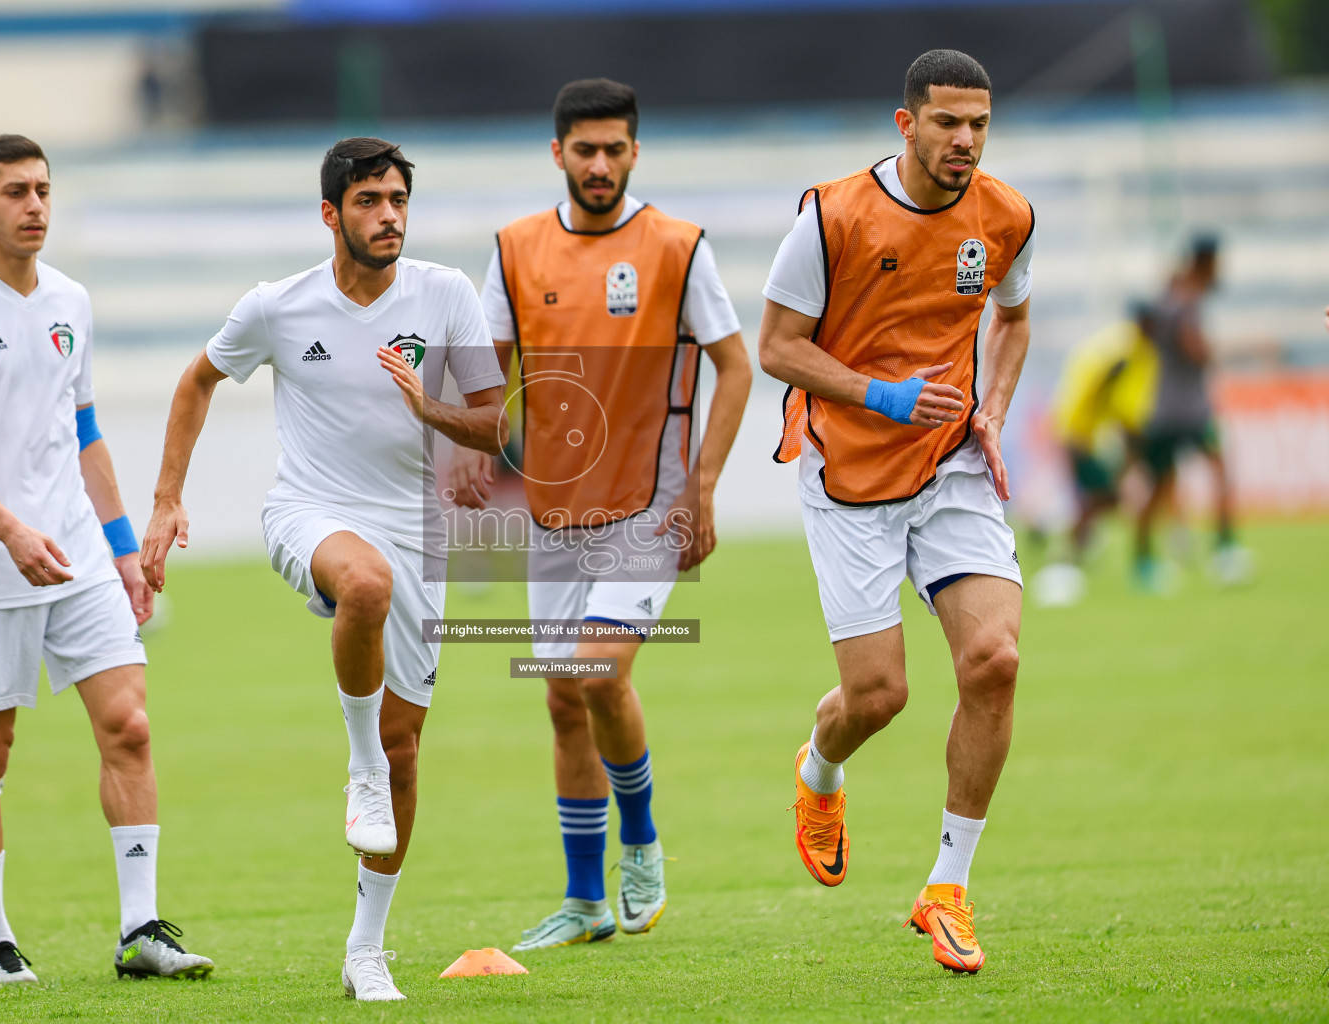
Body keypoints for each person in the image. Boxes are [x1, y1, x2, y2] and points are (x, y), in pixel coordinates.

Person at [140, 138, 507, 1002]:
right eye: (370, 201)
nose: (388, 217)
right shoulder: (278, 307)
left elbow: (495, 426)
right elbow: (197, 381)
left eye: (398, 201)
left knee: (408, 746)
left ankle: (365, 950)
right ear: (331, 213)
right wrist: (166, 499)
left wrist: (430, 408)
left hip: (418, 529)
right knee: (366, 587)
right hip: (309, 510)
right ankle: (359, 768)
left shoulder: (445, 294)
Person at [450, 78, 752, 951]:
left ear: (634, 151)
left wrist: (702, 487)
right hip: (554, 515)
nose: (600, 164)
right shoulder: (515, 249)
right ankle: (585, 903)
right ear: (558, 154)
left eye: (615, 148)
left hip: (648, 508)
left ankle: (644, 844)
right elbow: (486, 373)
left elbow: (734, 366)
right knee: (562, 698)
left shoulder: (677, 247)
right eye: (584, 149)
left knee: (597, 672)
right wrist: (475, 447)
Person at [0, 134, 214, 985]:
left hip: (76, 550)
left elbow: (85, 434)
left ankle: (142, 929)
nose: (35, 205)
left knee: (131, 725)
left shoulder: (72, 299)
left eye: (43, 189)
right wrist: (8, 528)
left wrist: (120, 552)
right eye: (15, 192)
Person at [758, 50, 1034, 974]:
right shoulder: (832, 217)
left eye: (979, 125)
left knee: (994, 660)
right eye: (948, 123)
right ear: (905, 123)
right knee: (880, 697)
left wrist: (989, 410)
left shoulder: (1008, 214)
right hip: (849, 475)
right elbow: (778, 348)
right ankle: (819, 771)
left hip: (951, 461)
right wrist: (878, 397)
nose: (964, 141)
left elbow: (1014, 317)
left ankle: (947, 887)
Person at [1133, 234, 1249, 589]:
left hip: (1166, 408)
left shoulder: (1172, 294)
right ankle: (1225, 553)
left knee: (1160, 487)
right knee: (1217, 473)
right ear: (1206, 262)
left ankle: (1143, 563)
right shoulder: (1185, 302)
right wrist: (1222, 352)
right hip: (1189, 410)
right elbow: (1194, 349)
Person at [1033, 302, 1157, 605]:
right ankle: (1062, 557)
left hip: (1079, 431)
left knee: (1098, 499)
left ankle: (1065, 551)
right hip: (1078, 433)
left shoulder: (1121, 346)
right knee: (1101, 499)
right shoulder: (1126, 354)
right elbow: (1107, 395)